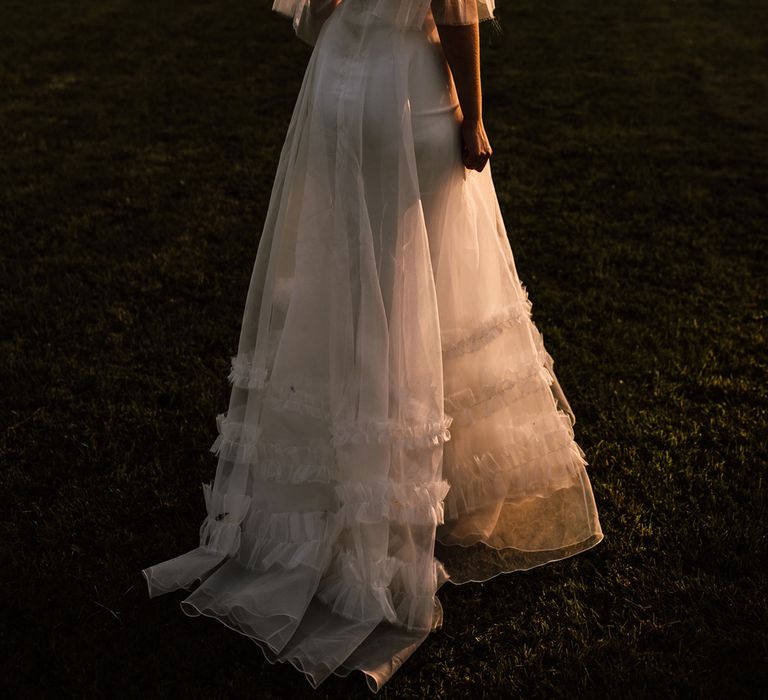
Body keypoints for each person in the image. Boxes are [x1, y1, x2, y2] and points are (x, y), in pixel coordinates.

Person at [142, 0, 604, 692]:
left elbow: (313, 11)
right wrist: (473, 114)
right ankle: (401, 498)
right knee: (420, 284)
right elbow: (454, 10)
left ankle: (350, 474)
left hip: (336, 89)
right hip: (407, 94)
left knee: (354, 287)